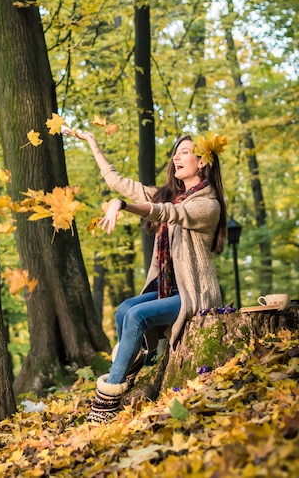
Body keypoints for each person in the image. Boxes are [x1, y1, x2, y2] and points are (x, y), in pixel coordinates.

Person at [64, 129, 228, 423]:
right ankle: (135, 359)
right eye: (175, 152)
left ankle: (107, 399)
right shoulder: (171, 195)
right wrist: (92, 143)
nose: (176, 156)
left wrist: (123, 206)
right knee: (125, 309)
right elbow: (119, 182)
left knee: (137, 317)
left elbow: (166, 213)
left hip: (194, 293)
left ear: (202, 162)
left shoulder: (207, 205)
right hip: (169, 289)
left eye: (184, 152)